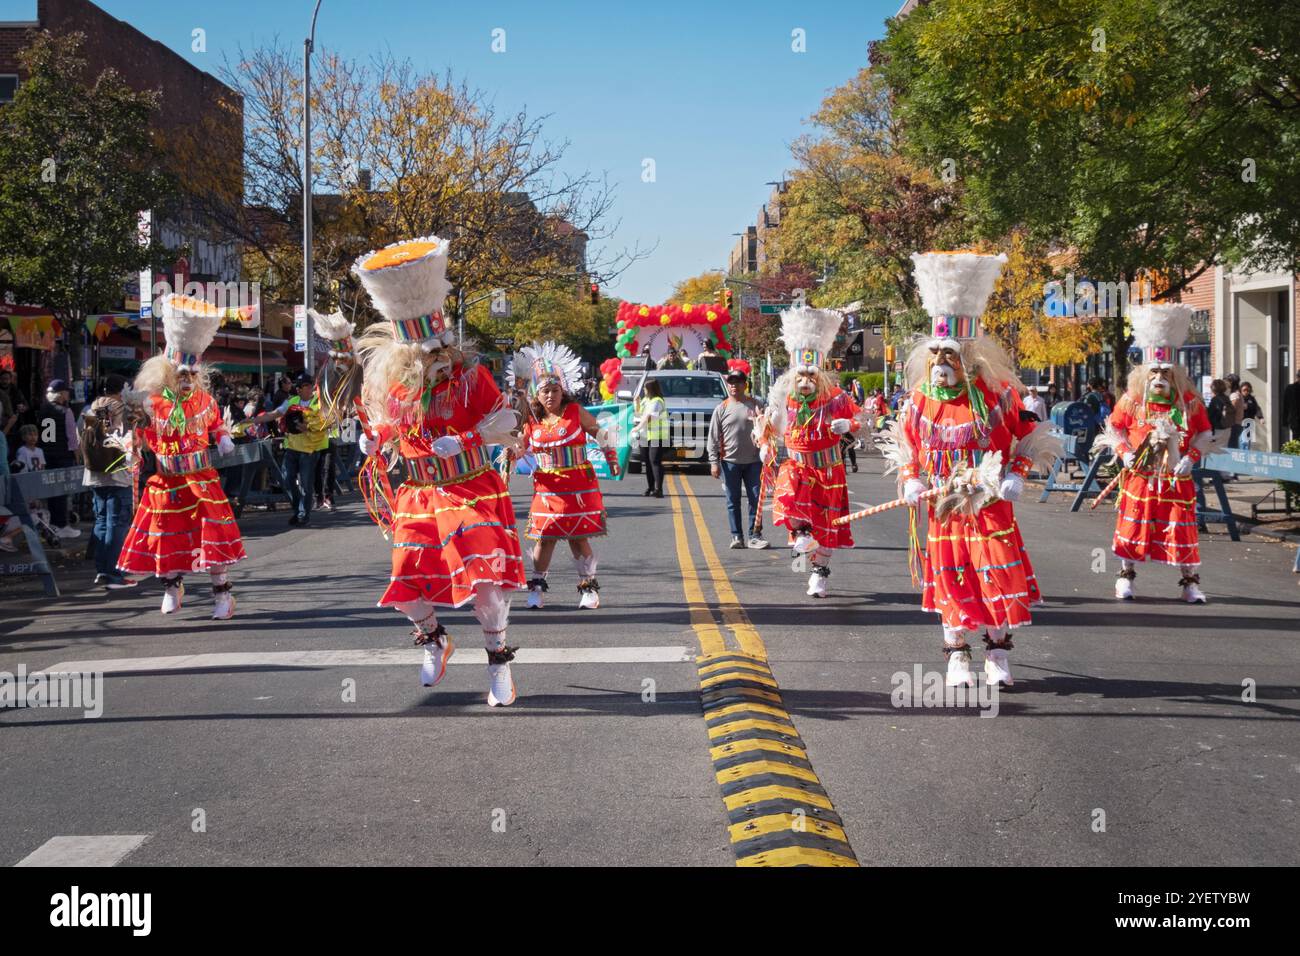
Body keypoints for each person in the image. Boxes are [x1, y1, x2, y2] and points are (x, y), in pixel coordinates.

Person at [353, 235, 525, 706]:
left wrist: (467, 439)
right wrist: (375, 440)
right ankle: (434, 639)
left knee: (484, 584)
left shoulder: (472, 376)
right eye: (421, 356)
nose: (432, 363)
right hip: (419, 494)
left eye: (435, 353)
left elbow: (508, 420)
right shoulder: (397, 388)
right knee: (405, 584)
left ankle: (499, 663)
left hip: (471, 488)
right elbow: (389, 426)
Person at [884, 252, 1059, 688]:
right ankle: (957, 654)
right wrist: (910, 478)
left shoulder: (997, 396)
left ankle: (997, 652)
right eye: (936, 356)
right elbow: (907, 445)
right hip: (945, 507)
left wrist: (1017, 471)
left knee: (995, 573)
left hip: (990, 504)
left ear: (968, 358)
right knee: (954, 575)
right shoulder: (919, 400)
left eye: (951, 356)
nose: (942, 364)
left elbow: (1026, 436)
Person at [115, 294, 245, 618]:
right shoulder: (153, 402)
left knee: (211, 535)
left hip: (201, 479)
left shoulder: (204, 401)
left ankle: (222, 596)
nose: (186, 381)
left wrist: (224, 438)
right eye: (180, 375)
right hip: (167, 480)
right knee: (166, 535)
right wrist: (133, 449)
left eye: (191, 375)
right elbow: (141, 435)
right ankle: (172, 586)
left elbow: (216, 423)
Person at [1095, 304, 1215, 605]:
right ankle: (1125, 578)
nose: (1159, 377)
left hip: (1176, 478)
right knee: (1132, 526)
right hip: (1140, 478)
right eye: (1154, 371)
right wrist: (1124, 453)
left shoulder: (1189, 401)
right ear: (1144, 373)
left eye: (1164, 372)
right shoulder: (1132, 399)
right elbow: (1115, 426)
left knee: (1182, 528)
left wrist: (1191, 459)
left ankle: (1190, 584)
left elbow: (1204, 433)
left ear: (1174, 373)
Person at [753, 307, 863, 599]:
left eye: (810, 376)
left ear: (819, 376)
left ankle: (818, 574)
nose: (804, 382)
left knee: (826, 525)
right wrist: (765, 445)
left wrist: (847, 424)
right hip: (797, 465)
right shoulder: (783, 397)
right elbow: (769, 428)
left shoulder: (836, 397)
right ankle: (802, 539)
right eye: (800, 376)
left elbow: (860, 421)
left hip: (828, 470)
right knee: (790, 501)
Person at [510, 341, 618, 610]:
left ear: (563, 391)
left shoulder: (574, 411)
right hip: (546, 488)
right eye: (545, 391)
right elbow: (521, 446)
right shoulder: (531, 420)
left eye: (555, 390)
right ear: (537, 393)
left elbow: (601, 434)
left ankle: (589, 590)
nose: (550, 395)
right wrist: (510, 453)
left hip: (578, 486)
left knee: (577, 537)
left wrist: (612, 458)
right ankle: (536, 589)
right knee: (544, 538)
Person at [248, 371, 330, 526]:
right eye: (298, 386)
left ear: (311, 387)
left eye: (304, 386)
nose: (299, 389)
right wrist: (253, 420)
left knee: (306, 484)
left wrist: (308, 426)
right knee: (287, 481)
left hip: (310, 450)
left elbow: (327, 422)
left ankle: (302, 514)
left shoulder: (320, 403)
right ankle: (299, 509)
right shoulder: (292, 401)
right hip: (292, 448)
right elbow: (274, 414)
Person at [80, 373, 137, 588]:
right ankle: (114, 572)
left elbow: (81, 437)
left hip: (94, 474)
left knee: (102, 522)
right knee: (117, 523)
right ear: (122, 389)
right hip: (118, 474)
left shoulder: (90, 409)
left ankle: (102, 570)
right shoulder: (123, 411)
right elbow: (133, 438)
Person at [708, 362, 768, 550]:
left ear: (745, 384)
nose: (733, 385)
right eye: (730, 382)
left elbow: (768, 429)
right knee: (732, 501)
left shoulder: (756, 404)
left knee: (755, 499)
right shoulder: (722, 408)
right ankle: (737, 537)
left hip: (754, 462)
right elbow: (713, 437)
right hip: (729, 463)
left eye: (737, 382)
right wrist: (713, 462)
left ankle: (755, 535)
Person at [309, 309, 364, 512]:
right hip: (315, 437)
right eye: (337, 359)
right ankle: (318, 497)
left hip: (330, 435)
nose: (340, 363)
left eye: (344, 359)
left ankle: (328, 497)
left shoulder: (357, 375)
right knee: (317, 468)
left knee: (328, 467)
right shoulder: (323, 381)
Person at [37, 378, 81, 537]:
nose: (68, 395)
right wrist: (77, 457)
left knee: (52, 491)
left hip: (47, 455)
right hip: (63, 456)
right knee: (63, 491)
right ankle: (62, 525)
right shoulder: (66, 411)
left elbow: (43, 436)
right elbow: (72, 439)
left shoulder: (43, 409)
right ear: (61, 394)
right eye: (66, 392)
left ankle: (53, 525)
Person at [635, 378, 668, 498]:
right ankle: (650, 487)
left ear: (650, 389)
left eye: (645, 388)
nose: (643, 390)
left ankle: (659, 489)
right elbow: (638, 414)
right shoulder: (646, 400)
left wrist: (637, 427)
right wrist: (637, 403)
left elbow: (649, 417)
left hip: (656, 436)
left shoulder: (657, 401)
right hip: (644, 435)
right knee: (647, 463)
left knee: (655, 462)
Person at [1207, 379, 1233, 449]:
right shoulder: (1227, 398)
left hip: (1217, 428)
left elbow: (1210, 415)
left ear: (1213, 389)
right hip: (1227, 427)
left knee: (1216, 450)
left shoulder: (1215, 400)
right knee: (1224, 449)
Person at [1239, 382, 1262, 450]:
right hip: (1240, 423)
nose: (1246, 392)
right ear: (1241, 390)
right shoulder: (1238, 398)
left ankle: (1245, 455)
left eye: (1248, 390)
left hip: (1249, 423)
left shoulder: (1251, 399)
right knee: (1242, 441)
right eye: (1244, 390)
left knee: (1247, 442)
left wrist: (1260, 417)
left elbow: (1257, 408)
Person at [1283, 369, 1300, 443]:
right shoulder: (1290, 388)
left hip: (1294, 420)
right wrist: (1284, 421)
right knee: (1296, 441)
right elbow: (1285, 405)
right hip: (1295, 421)